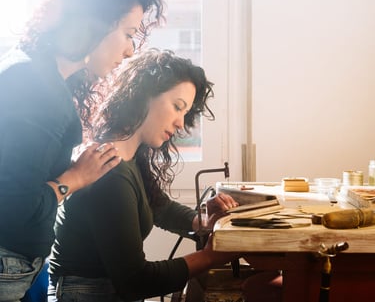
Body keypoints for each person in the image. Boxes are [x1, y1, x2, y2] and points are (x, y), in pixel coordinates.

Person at [0, 0, 164, 301]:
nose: (131, 49)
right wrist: (75, 178)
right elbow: (15, 207)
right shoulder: (35, 87)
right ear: (96, 23)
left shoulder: (35, 73)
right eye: (129, 33)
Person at [47, 48, 242, 302]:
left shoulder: (128, 156)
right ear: (142, 97)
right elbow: (136, 281)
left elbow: (159, 207)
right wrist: (210, 256)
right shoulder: (111, 172)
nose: (181, 123)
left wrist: (202, 221)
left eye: (185, 113)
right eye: (177, 107)